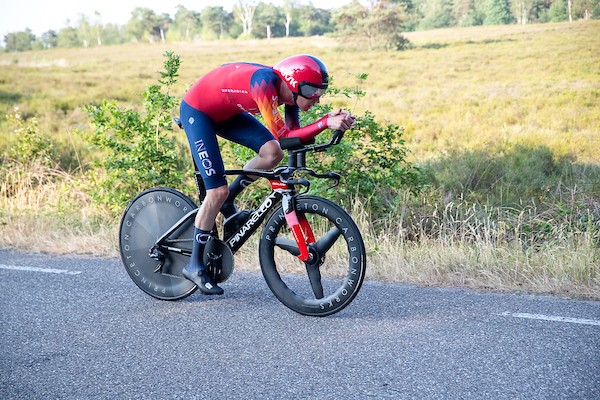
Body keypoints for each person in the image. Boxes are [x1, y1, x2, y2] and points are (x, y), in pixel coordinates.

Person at [179, 54, 356, 295]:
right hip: (198, 111)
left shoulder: (290, 95)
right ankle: (194, 265)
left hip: (226, 112)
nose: (317, 99)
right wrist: (324, 123)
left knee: (272, 153)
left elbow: (291, 137)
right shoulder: (263, 84)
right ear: (296, 86)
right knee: (216, 191)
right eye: (313, 92)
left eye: (321, 92)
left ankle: (229, 199)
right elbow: (285, 136)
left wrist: (329, 123)